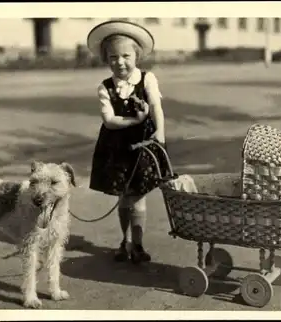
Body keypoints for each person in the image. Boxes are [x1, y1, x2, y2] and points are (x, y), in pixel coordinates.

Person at [87, 20, 169, 264]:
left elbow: (156, 106)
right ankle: (125, 241)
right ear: (106, 59)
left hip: (143, 144)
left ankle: (138, 243)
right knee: (124, 195)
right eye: (113, 57)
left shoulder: (147, 79)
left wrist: (160, 132)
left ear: (137, 55)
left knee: (138, 195)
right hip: (117, 146)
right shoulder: (105, 87)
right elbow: (110, 120)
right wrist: (136, 120)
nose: (120, 62)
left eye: (125, 55)